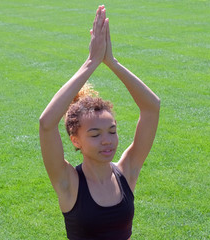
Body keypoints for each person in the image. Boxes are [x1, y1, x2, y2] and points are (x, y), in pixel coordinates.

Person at [39, 5, 160, 240]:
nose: (107, 141)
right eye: (95, 134)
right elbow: (47, 123)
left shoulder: (127, 172)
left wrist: (112, 62)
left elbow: (151, 108)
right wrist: (91, 63)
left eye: (112, 131)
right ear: (76, 140)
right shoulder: (68, 182)